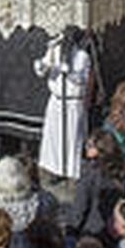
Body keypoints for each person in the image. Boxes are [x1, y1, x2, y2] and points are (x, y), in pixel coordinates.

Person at [35, 26, 92, 181]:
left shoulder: (82, 56)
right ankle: (55, 169)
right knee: (54, 136)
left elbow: (81, 79)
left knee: (72, 137)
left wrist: (66, 69)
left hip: (72, 103)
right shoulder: (54, 51)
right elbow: (41, 71)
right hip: (56, 100)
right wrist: (42, 65)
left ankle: (71, 171)